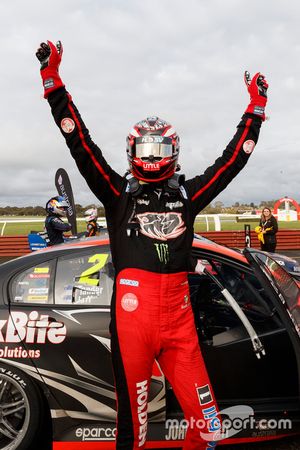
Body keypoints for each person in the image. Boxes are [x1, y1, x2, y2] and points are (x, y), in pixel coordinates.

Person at [36, 40, 268, 450]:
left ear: (174, 153)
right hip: (132, 325)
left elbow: (232, 161)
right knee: (133, 431)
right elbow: (81, 144)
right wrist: (52, 82)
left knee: (209, 425)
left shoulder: (188, 196)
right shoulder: (117, 195)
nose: (153, 155)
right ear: (132, 152)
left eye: (160, 148)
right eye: (146, 147)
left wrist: (256, 110)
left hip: (180, 324)